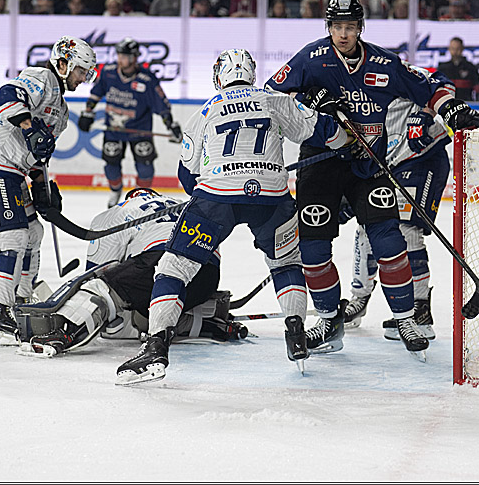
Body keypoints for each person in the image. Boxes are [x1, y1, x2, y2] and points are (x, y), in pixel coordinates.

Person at [264, 0, 479, 357]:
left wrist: (454, 110)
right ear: (329, 28)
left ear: (360, 28)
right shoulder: (311, 58)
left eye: (350, 27)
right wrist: (309, 101)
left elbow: (428, 86)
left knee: (389, 239)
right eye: (337, 27)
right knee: (312, 248)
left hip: (368, 165)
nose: (343, 34)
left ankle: (405, 317)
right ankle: (328, 320)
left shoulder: (385, 63)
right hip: (321, 162)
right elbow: (270, 97)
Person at [115, 49, 351, 385]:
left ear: (219, 76)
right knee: (285, 264)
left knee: (174, 269)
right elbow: (329, 134)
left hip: (217, 198)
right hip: (271, 197)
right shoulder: (273, 99)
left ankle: (156, 346)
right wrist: (343, 133)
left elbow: (187, 176)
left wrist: (205, 198)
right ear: (251, 73)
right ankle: (296, 334)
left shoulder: (205, 111)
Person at [0, 37, 98, 346]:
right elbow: (6, 97)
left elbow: (39, 155)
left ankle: (22, 302)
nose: (83, 78)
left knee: (33, 232)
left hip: (13, 171)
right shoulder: (42, 77)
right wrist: (28, 127)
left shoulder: (62, 111)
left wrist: (42, 189)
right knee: (12, 237)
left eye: (87, 73)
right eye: (80, 70)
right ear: (63, 63)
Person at [14, 188, 248, 357]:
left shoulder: (123, 210)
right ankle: (207, 322)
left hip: (161, 260)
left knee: (101, 294)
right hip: (207, 273)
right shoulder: (181, 204)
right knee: (149, 305)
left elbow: (97, 272)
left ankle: (61, 332)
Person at [344, 91, 453, 343]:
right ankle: (360, 298)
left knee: (406, 231)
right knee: (366, 229)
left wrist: (426, 114)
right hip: (388, 164)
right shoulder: (350, 89)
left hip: (423, 157)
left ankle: (419, 309)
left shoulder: (397, 72)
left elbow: (442, 85)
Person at [78, 38, 180, 208]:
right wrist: (88, 112)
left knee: (145, 167)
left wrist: (171, 124)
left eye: (125, 56)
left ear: (134, 58)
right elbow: (96, 93)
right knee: (111, 165)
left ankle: (143, 197)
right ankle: (115, 190)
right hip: (114, 130)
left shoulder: (146, 80)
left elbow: (161, 104)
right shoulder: (109, 72)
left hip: (139, 131)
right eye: (119, 55)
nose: (120, 60)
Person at [436, 36, 479, 101]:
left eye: (458, 49)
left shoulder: (471, 68)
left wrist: (478, 105)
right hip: (446, 105)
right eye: (452, 48)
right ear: (449, 49)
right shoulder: (442, 68)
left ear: (462, 49)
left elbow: (477, 89)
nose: (455, 52)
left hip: (466, 104)